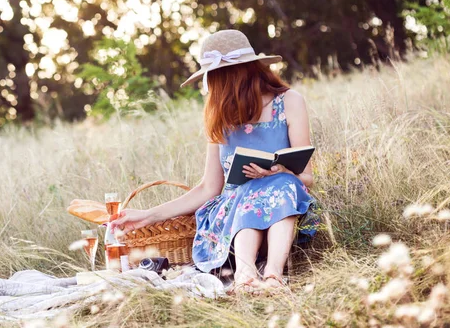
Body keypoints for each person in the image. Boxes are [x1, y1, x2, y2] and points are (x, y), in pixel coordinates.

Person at [110, 29, 318, 291]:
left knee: (281, 183)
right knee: (248, 190)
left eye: (216, 79)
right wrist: (148, 216)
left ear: (240, 74)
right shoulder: (220, 116)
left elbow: (307, 178)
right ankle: (245, 273)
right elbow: (209, 188)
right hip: (232, 222)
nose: (213, 89)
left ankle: (274, 275)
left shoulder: (289, 102)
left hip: (284, 216)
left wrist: (278, 172)